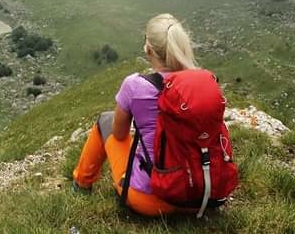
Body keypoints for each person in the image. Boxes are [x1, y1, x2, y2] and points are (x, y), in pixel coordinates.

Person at [72, 13, 202, 217]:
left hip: (149, 200)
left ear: (148, 48)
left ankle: (81, 183)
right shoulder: (202, 84)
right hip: (199, 197)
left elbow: (119, 134)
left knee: (105, 120)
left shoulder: (134, 85)